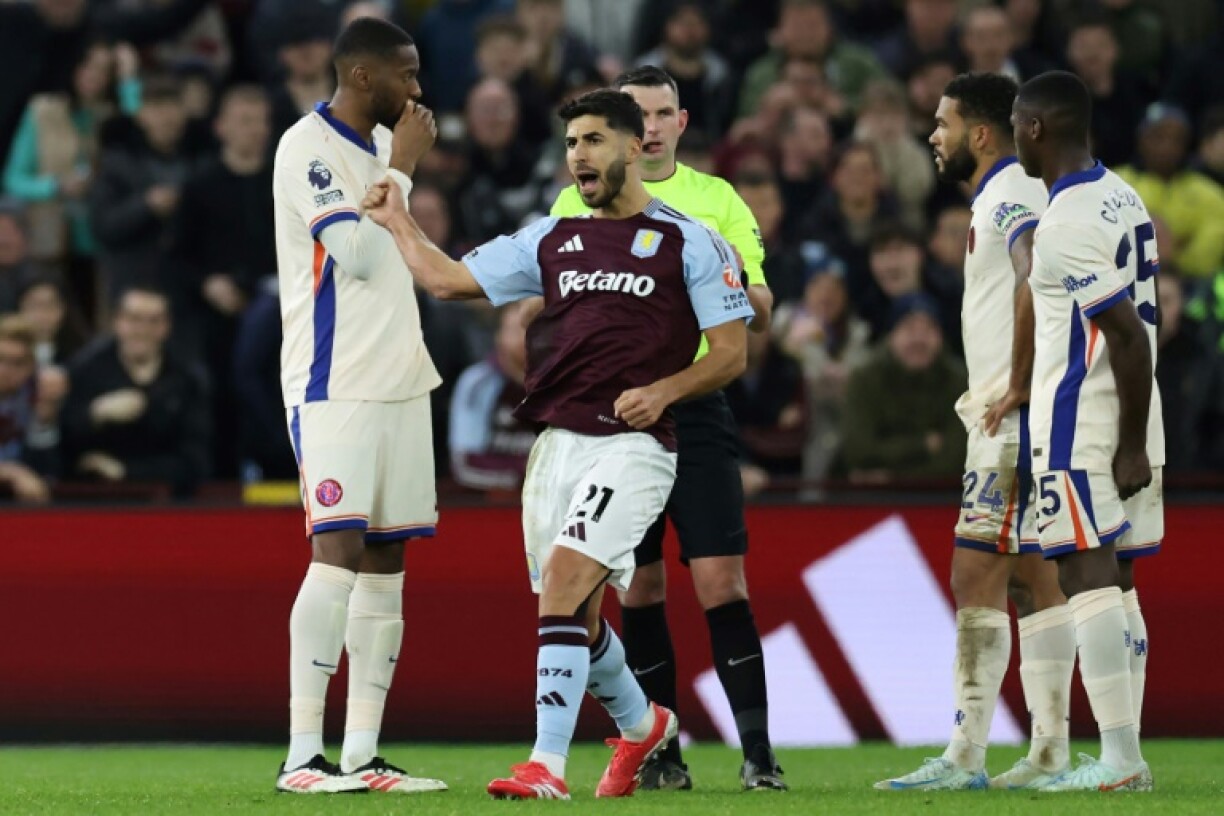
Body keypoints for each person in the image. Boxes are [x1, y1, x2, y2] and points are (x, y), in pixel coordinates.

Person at [360, 87, 753, 800]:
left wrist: (665, 390)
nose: (579, 155)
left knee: (567, 582)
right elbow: (449, 282)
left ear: (636, 148)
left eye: (595, 140)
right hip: (557, 447)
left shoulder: (690, 241)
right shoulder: (550, 236)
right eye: (572, 143)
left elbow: (731, 352)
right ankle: (643, 724)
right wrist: (396, 220)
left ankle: (546, 764)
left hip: (635, 445)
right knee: (579, 614)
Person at [550, 65, 784, 791]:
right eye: (636, 114)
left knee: (721, 582)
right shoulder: (573, 198)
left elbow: (762, 305)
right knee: (640, 589)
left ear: (681, 123)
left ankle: (757, 756)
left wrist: (705, 285)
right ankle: (662, 756)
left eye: (661, 113)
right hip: (617, 420)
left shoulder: (713, 202)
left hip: (695, 402)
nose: (649, 126)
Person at [875, 71, 1076, 792]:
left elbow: (1032, 275)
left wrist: (1019, 380)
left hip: (1013, 415)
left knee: (975, 573)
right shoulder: (1001, 196)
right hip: (1020, 411)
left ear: (980, 133)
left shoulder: (1012, 194)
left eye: (944, 123)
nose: (934, 135)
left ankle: (965, 758)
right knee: (1032, 580)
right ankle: (1049, 752)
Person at [270, 17, 447, 795]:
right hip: (332, 382)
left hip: (402, 378)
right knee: (335, 552)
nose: (418, 90)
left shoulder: (377, 154)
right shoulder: (305, 147)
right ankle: (302, 756)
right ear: (365, 77)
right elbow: (362, 256)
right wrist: (403, 171)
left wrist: (394, 167)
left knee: (387, 561)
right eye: (406, 75)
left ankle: (362, 755)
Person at [1011, 69, 1163, 792]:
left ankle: (1121, 760)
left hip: (1085, 417)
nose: (1015, 137)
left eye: (1018, 124)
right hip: (1133, 410)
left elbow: (1125, 336)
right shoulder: (1120, 194)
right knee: (1120, 580)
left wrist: (1126, 442)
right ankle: (1122, 755)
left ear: (1037, 128)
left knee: (1083, 571)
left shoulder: (1068, 221)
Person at [59, 287, 209, 497]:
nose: (142, 330)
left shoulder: (187, 380)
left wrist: (126, 472)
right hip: (93, 500)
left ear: (167, 326)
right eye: (134, 319)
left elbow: (196, 461)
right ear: (117, 322)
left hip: (167, 503)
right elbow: (60, 442)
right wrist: (94, 414)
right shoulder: (83, 370)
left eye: (154, 321)